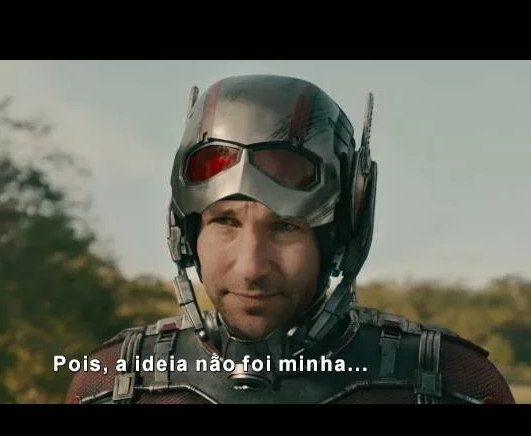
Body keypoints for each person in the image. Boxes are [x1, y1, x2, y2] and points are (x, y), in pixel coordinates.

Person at [65, 74, 515, 404]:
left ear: (340, 236)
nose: (250, 269)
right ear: (186, 232)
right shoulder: (109, 383)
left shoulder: (454, 383)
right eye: (225, 223)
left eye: (285, 227)